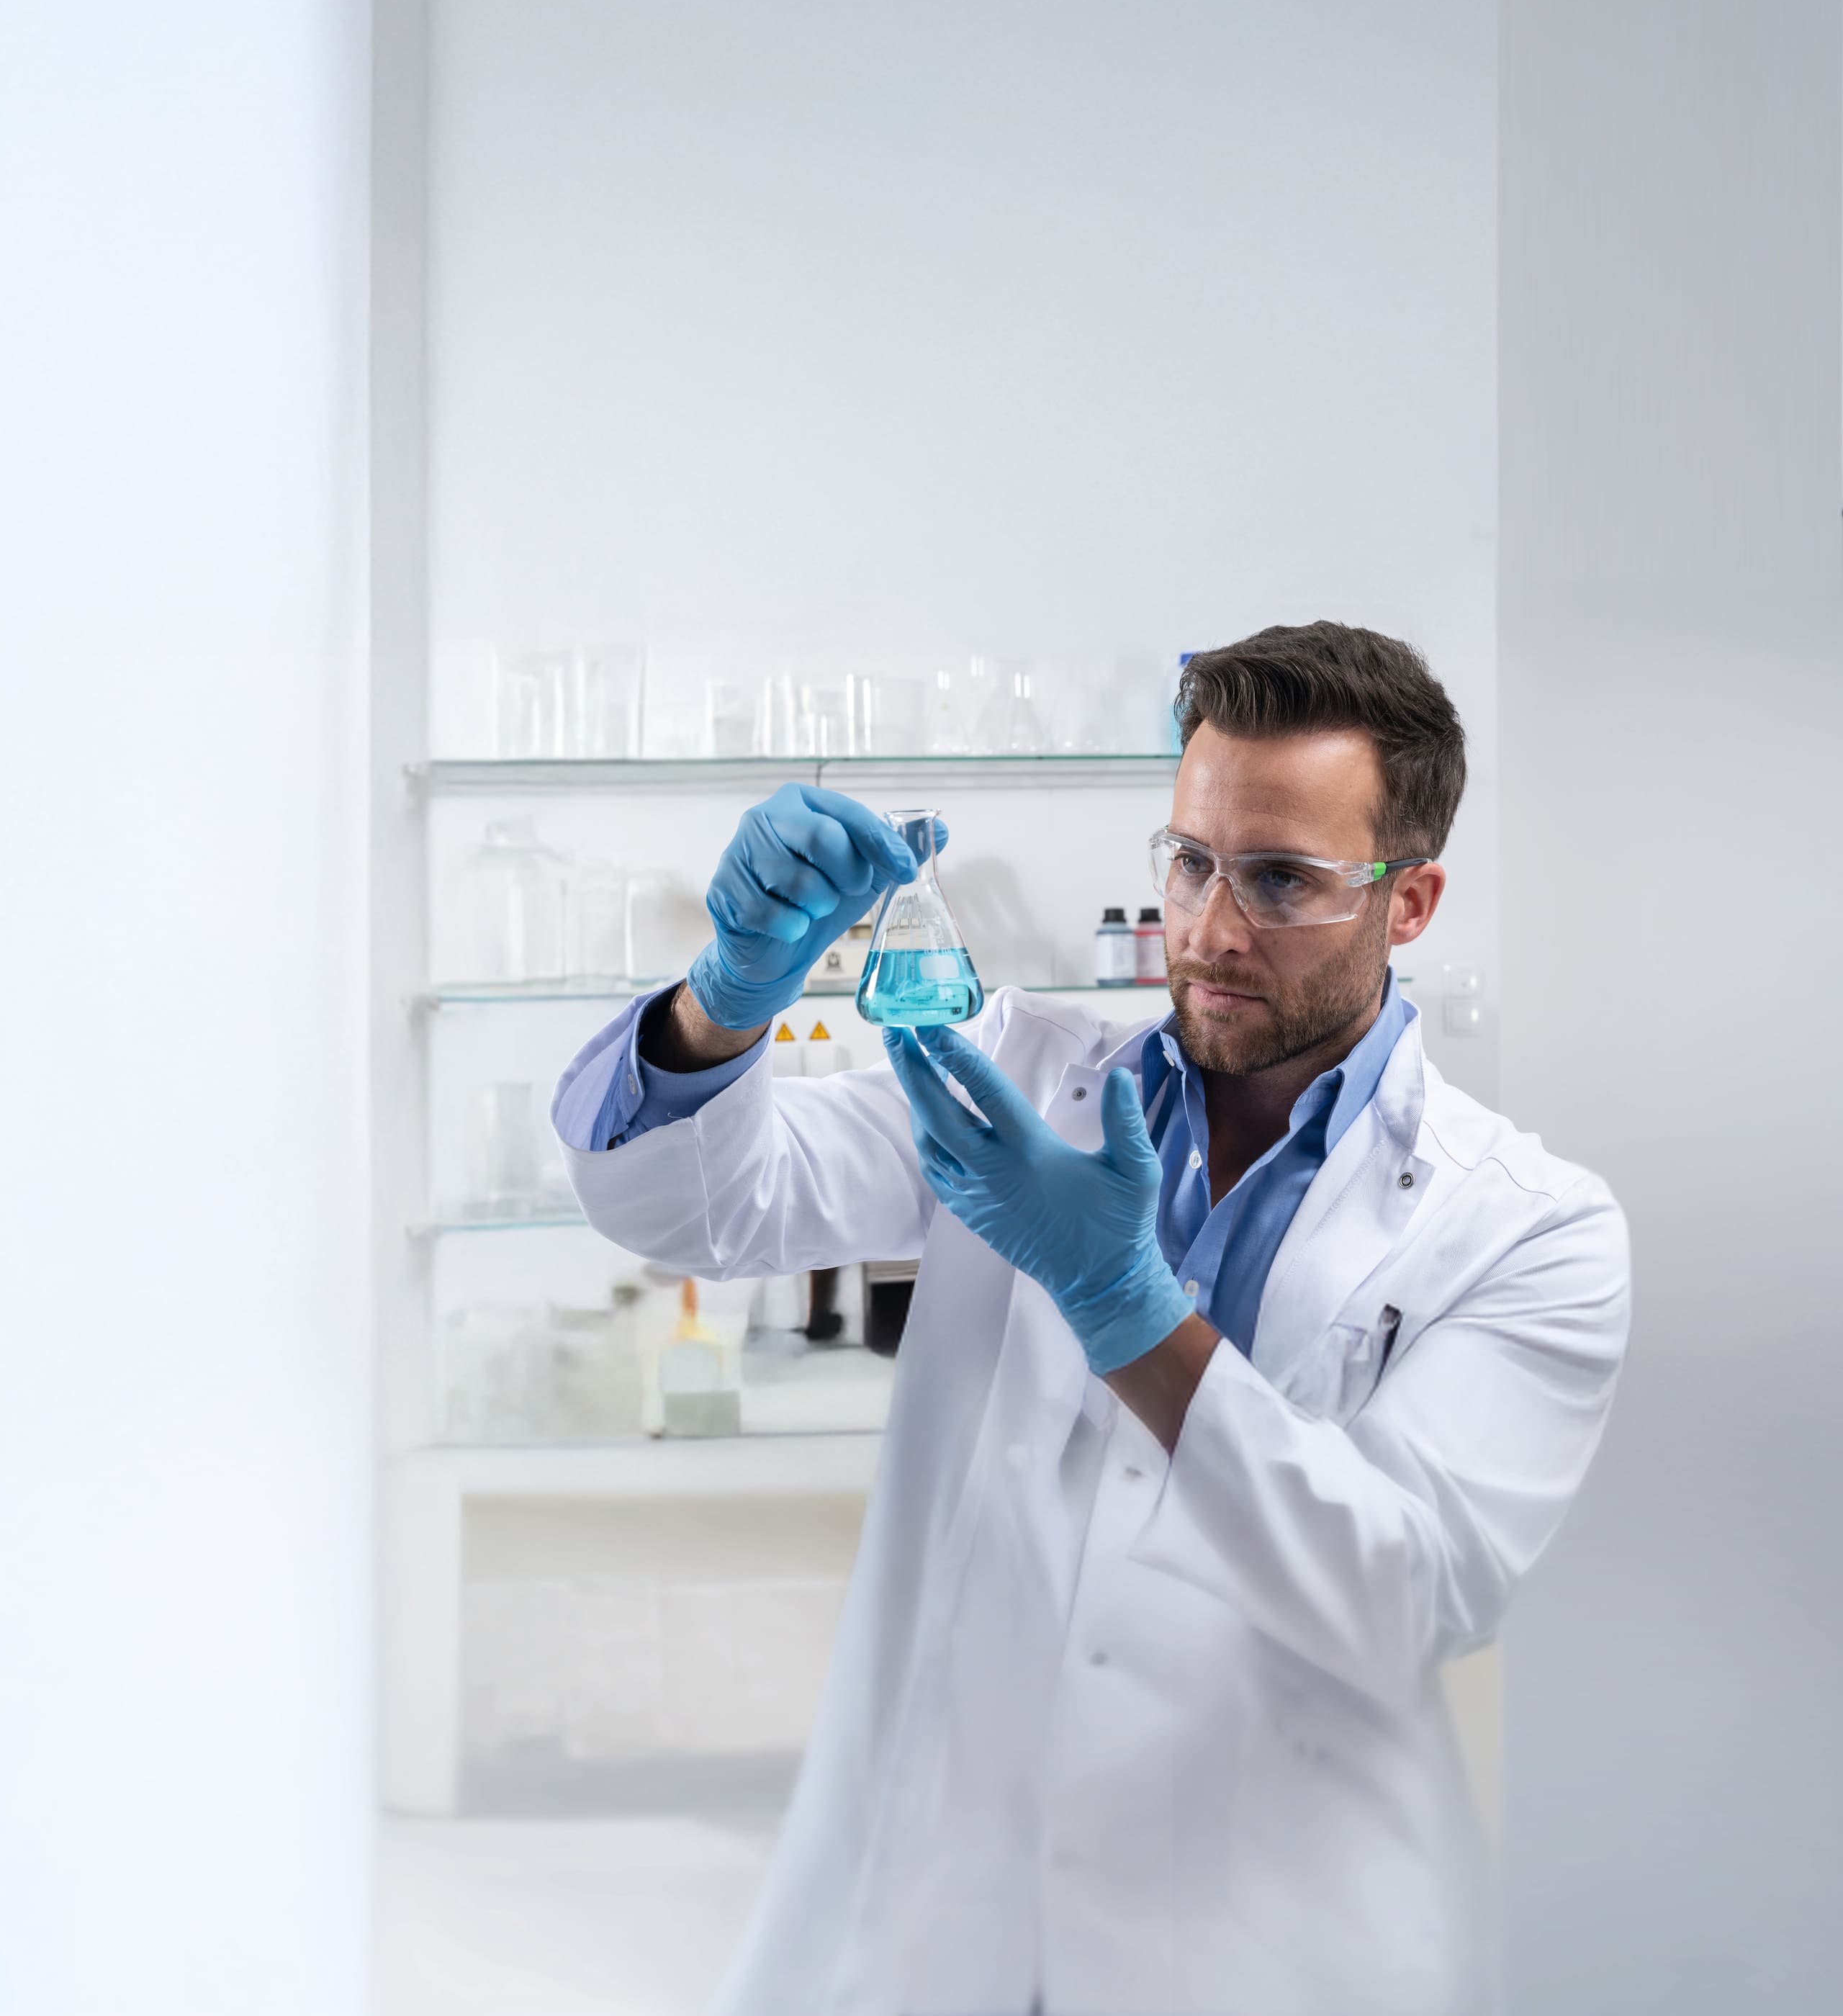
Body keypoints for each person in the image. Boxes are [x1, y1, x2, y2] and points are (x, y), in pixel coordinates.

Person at [555, 622, 1627, 2016]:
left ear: (1407, 901)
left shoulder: (1534, 1229)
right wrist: (723, 1001)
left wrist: (1123, 1308)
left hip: (1274, 1948)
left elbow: (1398, 1594)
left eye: (1281, 880)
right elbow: (698, 1209)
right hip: (951, 1925)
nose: (1213, 928)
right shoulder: (1019, 1073)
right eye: (1189, 862)